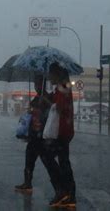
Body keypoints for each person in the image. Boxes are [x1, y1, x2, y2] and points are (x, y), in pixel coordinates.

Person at [40, 62, 76, 207]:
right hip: (63, 130)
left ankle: (63, 191)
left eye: (50, 74)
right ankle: (68, 194)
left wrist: (49, 103)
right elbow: (55, 102)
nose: (49, 77)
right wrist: (46, 98)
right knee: (62, 161)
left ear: (56, 74)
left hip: (62, 130)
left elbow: (59, 107)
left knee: (49, 157)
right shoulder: (61, 88)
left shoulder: (63, 87)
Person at [15, 75, 52, 194]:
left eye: (38, 83)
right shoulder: (37, 97)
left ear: (43, 84)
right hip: (33, 134)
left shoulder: (46, 97)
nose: (36, 86)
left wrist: (41, 105)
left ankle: (59, 187)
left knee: (49, 163)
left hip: (42, 135)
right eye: (35, 83)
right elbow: (33, 112)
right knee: (29, 160)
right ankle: (27, 183)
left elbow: (51, 111)